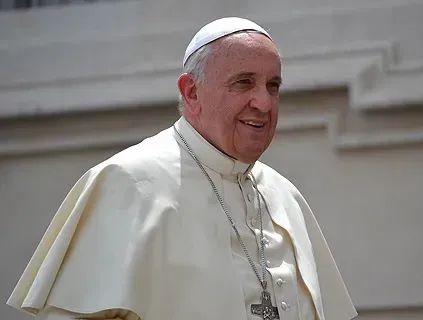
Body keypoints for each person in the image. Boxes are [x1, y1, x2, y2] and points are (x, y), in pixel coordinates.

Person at [7, 17, 357, 320]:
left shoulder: (286, 196)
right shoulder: (128, 182)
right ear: (191, 92)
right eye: (244, 83)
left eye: (273, 86)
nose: (264, 103)